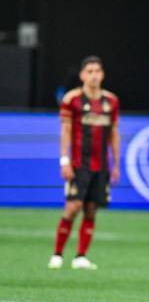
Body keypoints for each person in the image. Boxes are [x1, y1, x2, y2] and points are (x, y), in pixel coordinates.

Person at [47, 56, 120, 270]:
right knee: (72, 207)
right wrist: (64, 160)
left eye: (97, 71)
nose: (94, 75)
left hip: (101, 166)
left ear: (103, 74)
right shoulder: (72, 99)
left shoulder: (111, 101)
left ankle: (80, 256)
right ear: (82, 75)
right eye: (89, 71)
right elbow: (66, 131)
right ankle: (57, 254)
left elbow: (114, 133)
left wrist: (116, 164)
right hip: (79, 164)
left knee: (91, 209)